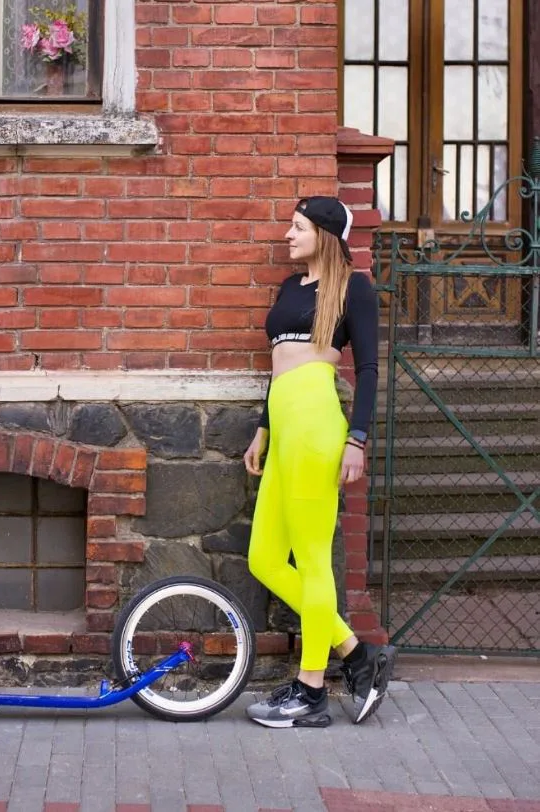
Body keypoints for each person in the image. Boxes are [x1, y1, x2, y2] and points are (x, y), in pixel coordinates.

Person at [243, 196, 396, 729]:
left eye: (298, 227)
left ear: (325, 235)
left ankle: (311, 691)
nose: (288, 235)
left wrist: (357, 439)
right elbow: (277, 369)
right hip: (284, 428)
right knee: (264, 558)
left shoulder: (354, 287)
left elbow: (369, 369)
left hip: (316, 427)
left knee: (311, 559)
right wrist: (263, 429)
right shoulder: (290, 288)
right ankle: (356, 652)